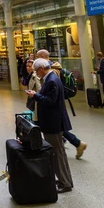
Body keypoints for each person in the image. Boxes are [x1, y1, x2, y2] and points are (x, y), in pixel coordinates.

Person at [27, 58, 73, 193]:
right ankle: (65, 180)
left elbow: (50, 101)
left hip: (53, 123)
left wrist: (35, 95)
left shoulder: (51, 80)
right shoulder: (51, 78)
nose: (36, 73)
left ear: (41, 68)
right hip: (52, 122)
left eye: (36, 71)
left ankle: (65, 182)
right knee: (59, 152)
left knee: (57, 153)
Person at [36, 49, 87, 159]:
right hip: (55, 102)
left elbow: (52, 91)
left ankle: (77, 143)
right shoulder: (54, 66)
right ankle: (69, 141)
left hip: (53, 104)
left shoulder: (51, 71)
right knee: (58, 127)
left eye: (37, 57)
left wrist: (38, 95)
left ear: (42, 56)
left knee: (57, 127)